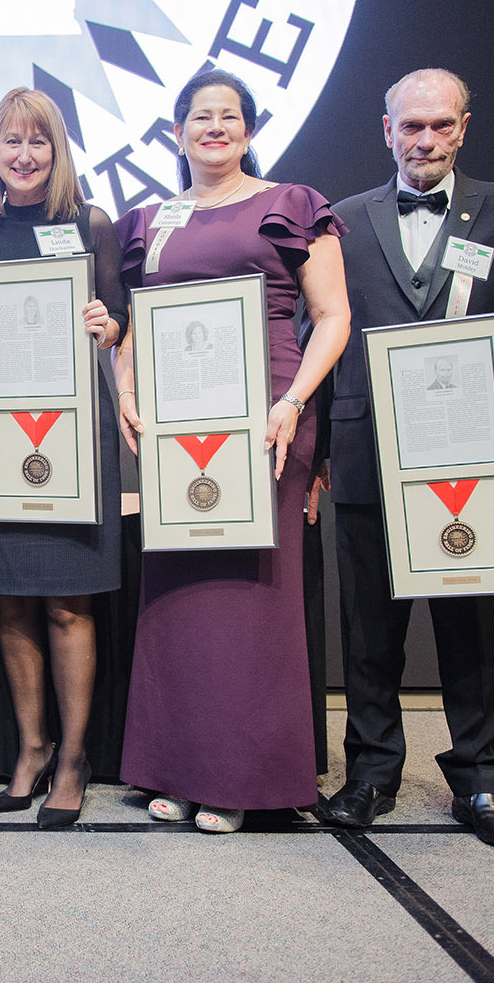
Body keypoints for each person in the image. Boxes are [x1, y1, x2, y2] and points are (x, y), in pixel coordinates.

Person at [315, 68, 494, 847]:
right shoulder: (343, 221)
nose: (423, 140)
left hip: (467, 455)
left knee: (476, 629)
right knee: (369, 632)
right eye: (409, 126)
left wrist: (487, 367)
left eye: (439, 126)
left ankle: (483, 784)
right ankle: (370, 776)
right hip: (366, 453)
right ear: (384, 129)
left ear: (463, 128)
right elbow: (318, 335)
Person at [113, 68, 351, 833]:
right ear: (176, 130)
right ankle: (180, 768)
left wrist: (292, 403)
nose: (214, 128)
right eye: (200, 117)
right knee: (180, 591)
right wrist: (124, 387)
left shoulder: (292, 203)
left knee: (253, 594)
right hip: (178, 420)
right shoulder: (149, 219)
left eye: (230, 117)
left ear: (248, 130)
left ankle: (241, 779)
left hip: (270, 414)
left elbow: (334, 316)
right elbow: (131, 323)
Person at [0, 88, 127, 829]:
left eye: (38, 142)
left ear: (58, 152)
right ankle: (31, 746)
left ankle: (76, 758)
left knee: (66, 602)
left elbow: (119, 323)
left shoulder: (91, 225)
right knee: (10, 600)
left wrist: (105, 323)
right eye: (9, 142)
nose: (23, 155)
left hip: (72, 437)